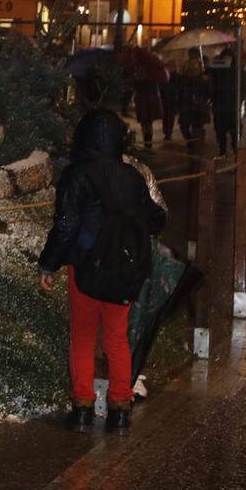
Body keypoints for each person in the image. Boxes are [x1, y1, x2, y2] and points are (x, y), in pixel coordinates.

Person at [39, 109, 167, 432]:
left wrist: (49, 263)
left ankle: (82, 407)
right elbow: (155, 218)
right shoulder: (132, 176)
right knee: (116, 338)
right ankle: (119, 409)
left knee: (82, 337)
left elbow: (66, 225)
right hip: (122, 269)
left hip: (84, 267)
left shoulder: (77, 174)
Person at [207, 50, 239, 155]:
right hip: (219, 105)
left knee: (234, 133)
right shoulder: (217, 69)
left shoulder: (236, 70)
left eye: (229, 58)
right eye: (225, 58)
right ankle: (223, 151)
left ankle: (236, 153)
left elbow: (242, 85)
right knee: (220, 132)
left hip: (232, 106)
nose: (227, 60)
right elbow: (208, 71)